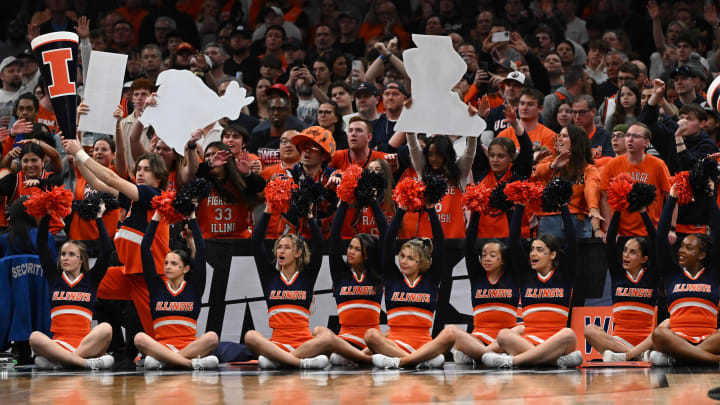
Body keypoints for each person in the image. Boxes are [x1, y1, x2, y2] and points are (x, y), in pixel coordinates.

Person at [63, 137, 170, 338]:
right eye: (138, 168)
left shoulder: (153, 194)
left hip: (149, 275)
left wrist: (80, 153)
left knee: (158, 335)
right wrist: (77, 158)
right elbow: (97, 182)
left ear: (159, 176)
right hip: (129, 272)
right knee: (86, 287)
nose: (140, 172)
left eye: (146, 169)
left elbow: (112, 179)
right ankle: (107, 344)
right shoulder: (133, 199)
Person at [481, 201, 582, 368]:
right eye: (532, 249)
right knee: (504, 335)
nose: (533, 254)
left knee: (568, 333)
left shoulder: (564, 276)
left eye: (540, 250)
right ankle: (553, 362)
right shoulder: (525, 276)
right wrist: (520, 206)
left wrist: (564, 207)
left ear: (553, 254)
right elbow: (514, 240)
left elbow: (572, 241)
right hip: (529, 341)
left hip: (556, 342)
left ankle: (510, 361)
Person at [367, 202, 454, 369]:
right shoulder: (393, 278)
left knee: (450, 334)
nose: (404, 262)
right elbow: (387, 242)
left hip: (424, 345)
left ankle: (402, 362)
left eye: (410, 258)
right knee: (371, 335)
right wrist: (401, 210)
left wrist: (430, 210)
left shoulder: (431, 279)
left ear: (421, 262)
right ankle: (414, 360)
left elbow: (441, 245)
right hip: (395, 345)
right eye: (402, 256)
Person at [243, 206, 329, 369]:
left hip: (304, 343)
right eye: (279, 247)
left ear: (297, 253)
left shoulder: (307, 277)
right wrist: (268, 210)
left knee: (325, 336)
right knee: (250, 336)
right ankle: (301, 363)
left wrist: (309, 216)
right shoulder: (270, 277)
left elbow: (319, 246)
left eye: (287, 247)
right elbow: (256, 243)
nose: (281, 251)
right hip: (277, 343)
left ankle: (278, 360)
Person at [29, 207, 115, 370]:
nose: (65, 258)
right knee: (35, 337)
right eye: (62, 254)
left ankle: (64, 362)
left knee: (106, 329)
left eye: (70, 254)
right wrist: (47, 214)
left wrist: (98, 217)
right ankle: (84, 363)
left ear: (81, 259)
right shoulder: (55, 278)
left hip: (85, 343)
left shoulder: (91, 280)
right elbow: (42, 244)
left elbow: (107, 250)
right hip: (59, 343)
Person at [133, 209, 219, 370]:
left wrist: (193, 217)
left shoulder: (194, 288)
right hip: (162, 347)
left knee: (212, 338)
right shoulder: (157, 286)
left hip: (190, 347)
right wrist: (156, 218)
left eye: (173, 264)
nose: (168, 267)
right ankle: (190, 364)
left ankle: (168, 362)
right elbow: (145, 249)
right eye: (166, 263)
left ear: (185, 269)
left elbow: (201, 252)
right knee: (139, 338)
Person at [649, 185, 720, 366]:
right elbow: (660, 237)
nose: (681, 251)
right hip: (676, 339)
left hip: (709, 340)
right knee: (659, 333)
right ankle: (713, 361)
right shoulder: (672, 274)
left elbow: (718, 233)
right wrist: (672, 199)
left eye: (689, 248)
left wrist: (711, 196)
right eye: (681, 246)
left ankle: (680, 358)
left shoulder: (713, 274)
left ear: (702, 254)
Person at [585, 208, 658, 362]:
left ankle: (627, 356)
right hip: (618, 343)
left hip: (646, 342)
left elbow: (656, 241)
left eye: (632, 252)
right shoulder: (618, 274)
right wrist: (617, 209)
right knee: (590, 330)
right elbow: (610, 240)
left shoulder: (651, 276)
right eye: (625, 250)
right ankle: (635, 356)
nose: (626, 255)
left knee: (663, 331)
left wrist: (644, 212)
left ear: (644, 259)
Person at [321, 200, 387, 366]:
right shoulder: (340, 274)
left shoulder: (377, 273)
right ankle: (365, 359)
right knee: (330, 348)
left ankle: (362, 357)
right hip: (346, 340)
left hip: (372, 340)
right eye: (350, 247)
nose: (351, 252)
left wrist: (373, 202)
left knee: (388, 336)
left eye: (357, 249)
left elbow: (386, 234)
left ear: (367, 255)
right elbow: (334, 236)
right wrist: (344, 201)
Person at [450, 211, 519, 364]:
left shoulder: (511, 276)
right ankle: (491, 355)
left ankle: (482, 355)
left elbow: (515, 242)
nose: (487, 258)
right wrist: (475, 212)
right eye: (484, 254)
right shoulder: (477, 276)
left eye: (493, 255)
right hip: (479, 337)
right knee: (452, 335)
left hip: (506, 336)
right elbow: (468, 246)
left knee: (519, 331)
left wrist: (511, 211)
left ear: (502, 260)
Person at [599, 123, 671, 239]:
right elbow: (604, 198)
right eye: (628, 135)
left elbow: (671, 198)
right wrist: (609, 229)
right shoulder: (612, 165)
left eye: (636, 136)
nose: (630, 139)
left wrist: (670, 228)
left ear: (646, 142)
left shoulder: (658, 165)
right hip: (620, 233)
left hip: (651, 231)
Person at [472, 102, 533, 239]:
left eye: (501, 156)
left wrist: (515, 124)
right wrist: (480, 119)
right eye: (492, 155)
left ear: (511, 157)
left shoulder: (518, 174)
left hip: (514, 240)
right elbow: (473, 147)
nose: (495, 160)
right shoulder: (481, 172)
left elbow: (527, 150)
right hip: (484, 238)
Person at [534, 125, 601, 239]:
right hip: (550, 219)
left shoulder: (589, 169)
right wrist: (554, 165)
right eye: (559, 135)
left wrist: (593, 208)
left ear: (576, 141)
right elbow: (538, 172)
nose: (559, 139)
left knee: (577, 256)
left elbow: (591, 189)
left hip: (577, 220)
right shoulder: (550, 161)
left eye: (564, 136)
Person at [196, 142, 265, 239]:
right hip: (209, 242)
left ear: (227, 159)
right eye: (207, 155)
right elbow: (193, 173)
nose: (212, 158)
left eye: (216, 154)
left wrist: (248, 174)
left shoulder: (239, 181)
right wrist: (209, 165)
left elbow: (261, 186)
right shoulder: (200, 182)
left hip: (240, 241)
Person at [0, 141, 64, 234]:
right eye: (25, 161)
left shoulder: (52, 178)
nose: (30, 165)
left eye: (34, 160)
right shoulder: (14, 180)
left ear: (43, 162)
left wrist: (39, 182)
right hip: (22, 235)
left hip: (52, 234)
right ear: (20, 163)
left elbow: (55, 183)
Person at [497, 88, 556, 155]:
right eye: (522, 103)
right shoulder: (504, 135)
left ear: (540, 109)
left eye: (530, 104)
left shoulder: (550, 136)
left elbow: (547, 163)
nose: (524, 108)